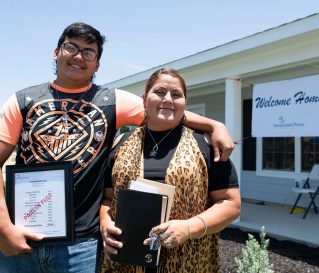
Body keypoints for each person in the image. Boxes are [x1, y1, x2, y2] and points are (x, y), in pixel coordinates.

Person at [0, 23, 234, 273]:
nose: (79, 56)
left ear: (97, 64)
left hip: (82, 247)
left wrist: (213, 125)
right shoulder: (23, 100)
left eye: (89, 52)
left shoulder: (112, 101)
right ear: (57, 52)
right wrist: (3, 229)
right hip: (21, 236)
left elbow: (163, 111)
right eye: (71, 47)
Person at [100, 68, 241, 273]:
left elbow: (231, 203)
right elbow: (108, 198)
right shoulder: (121, 144)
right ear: (144, 98)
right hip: (126, 260)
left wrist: (189, 228)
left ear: (185, 102)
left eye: (176, 94)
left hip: (188, 260)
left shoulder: (206, 146)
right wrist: (105, 223)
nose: (168, 99)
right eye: (160, 92)